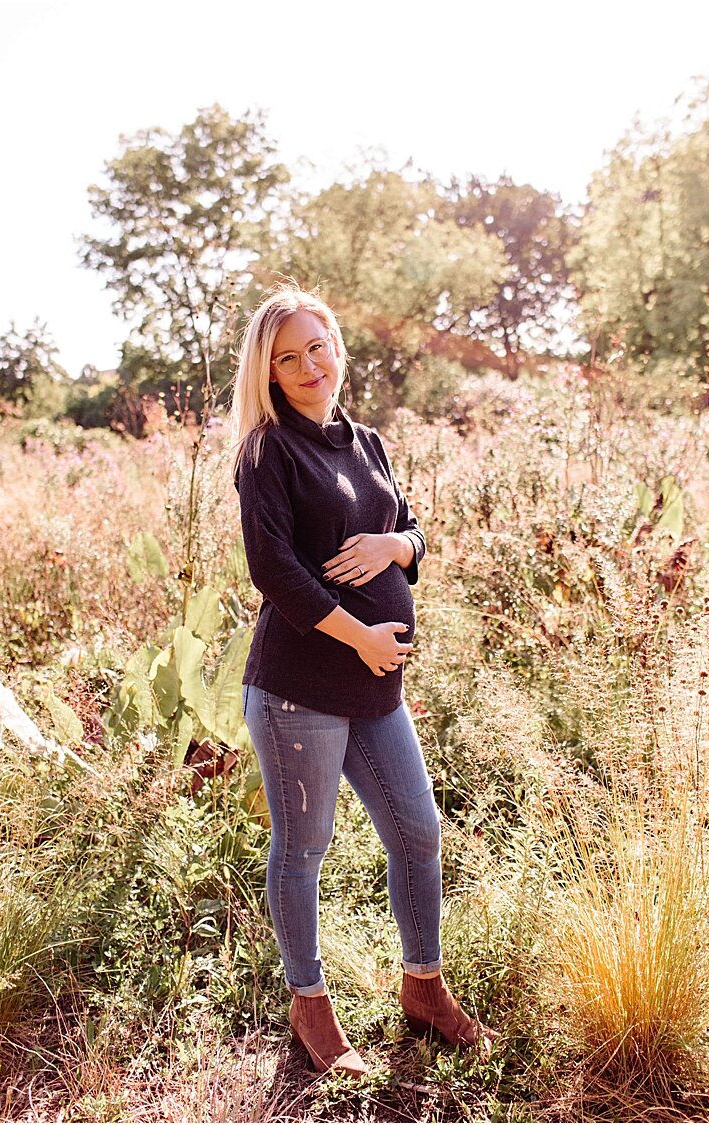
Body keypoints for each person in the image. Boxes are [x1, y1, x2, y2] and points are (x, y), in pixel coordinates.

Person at [229, 283, 496, 1077]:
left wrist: (394, 549)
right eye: (288, 357)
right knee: (304, 847)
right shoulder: (268, 450)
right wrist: (360, 636)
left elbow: (414, 528)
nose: (309, 365)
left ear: (336, 346)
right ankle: (308, 1003)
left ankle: (424, 986)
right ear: (270, 374)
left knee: (417, 831)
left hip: (378, 688)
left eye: (318, 346)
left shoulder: (366, 441)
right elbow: (272, 568)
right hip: (297, 690)